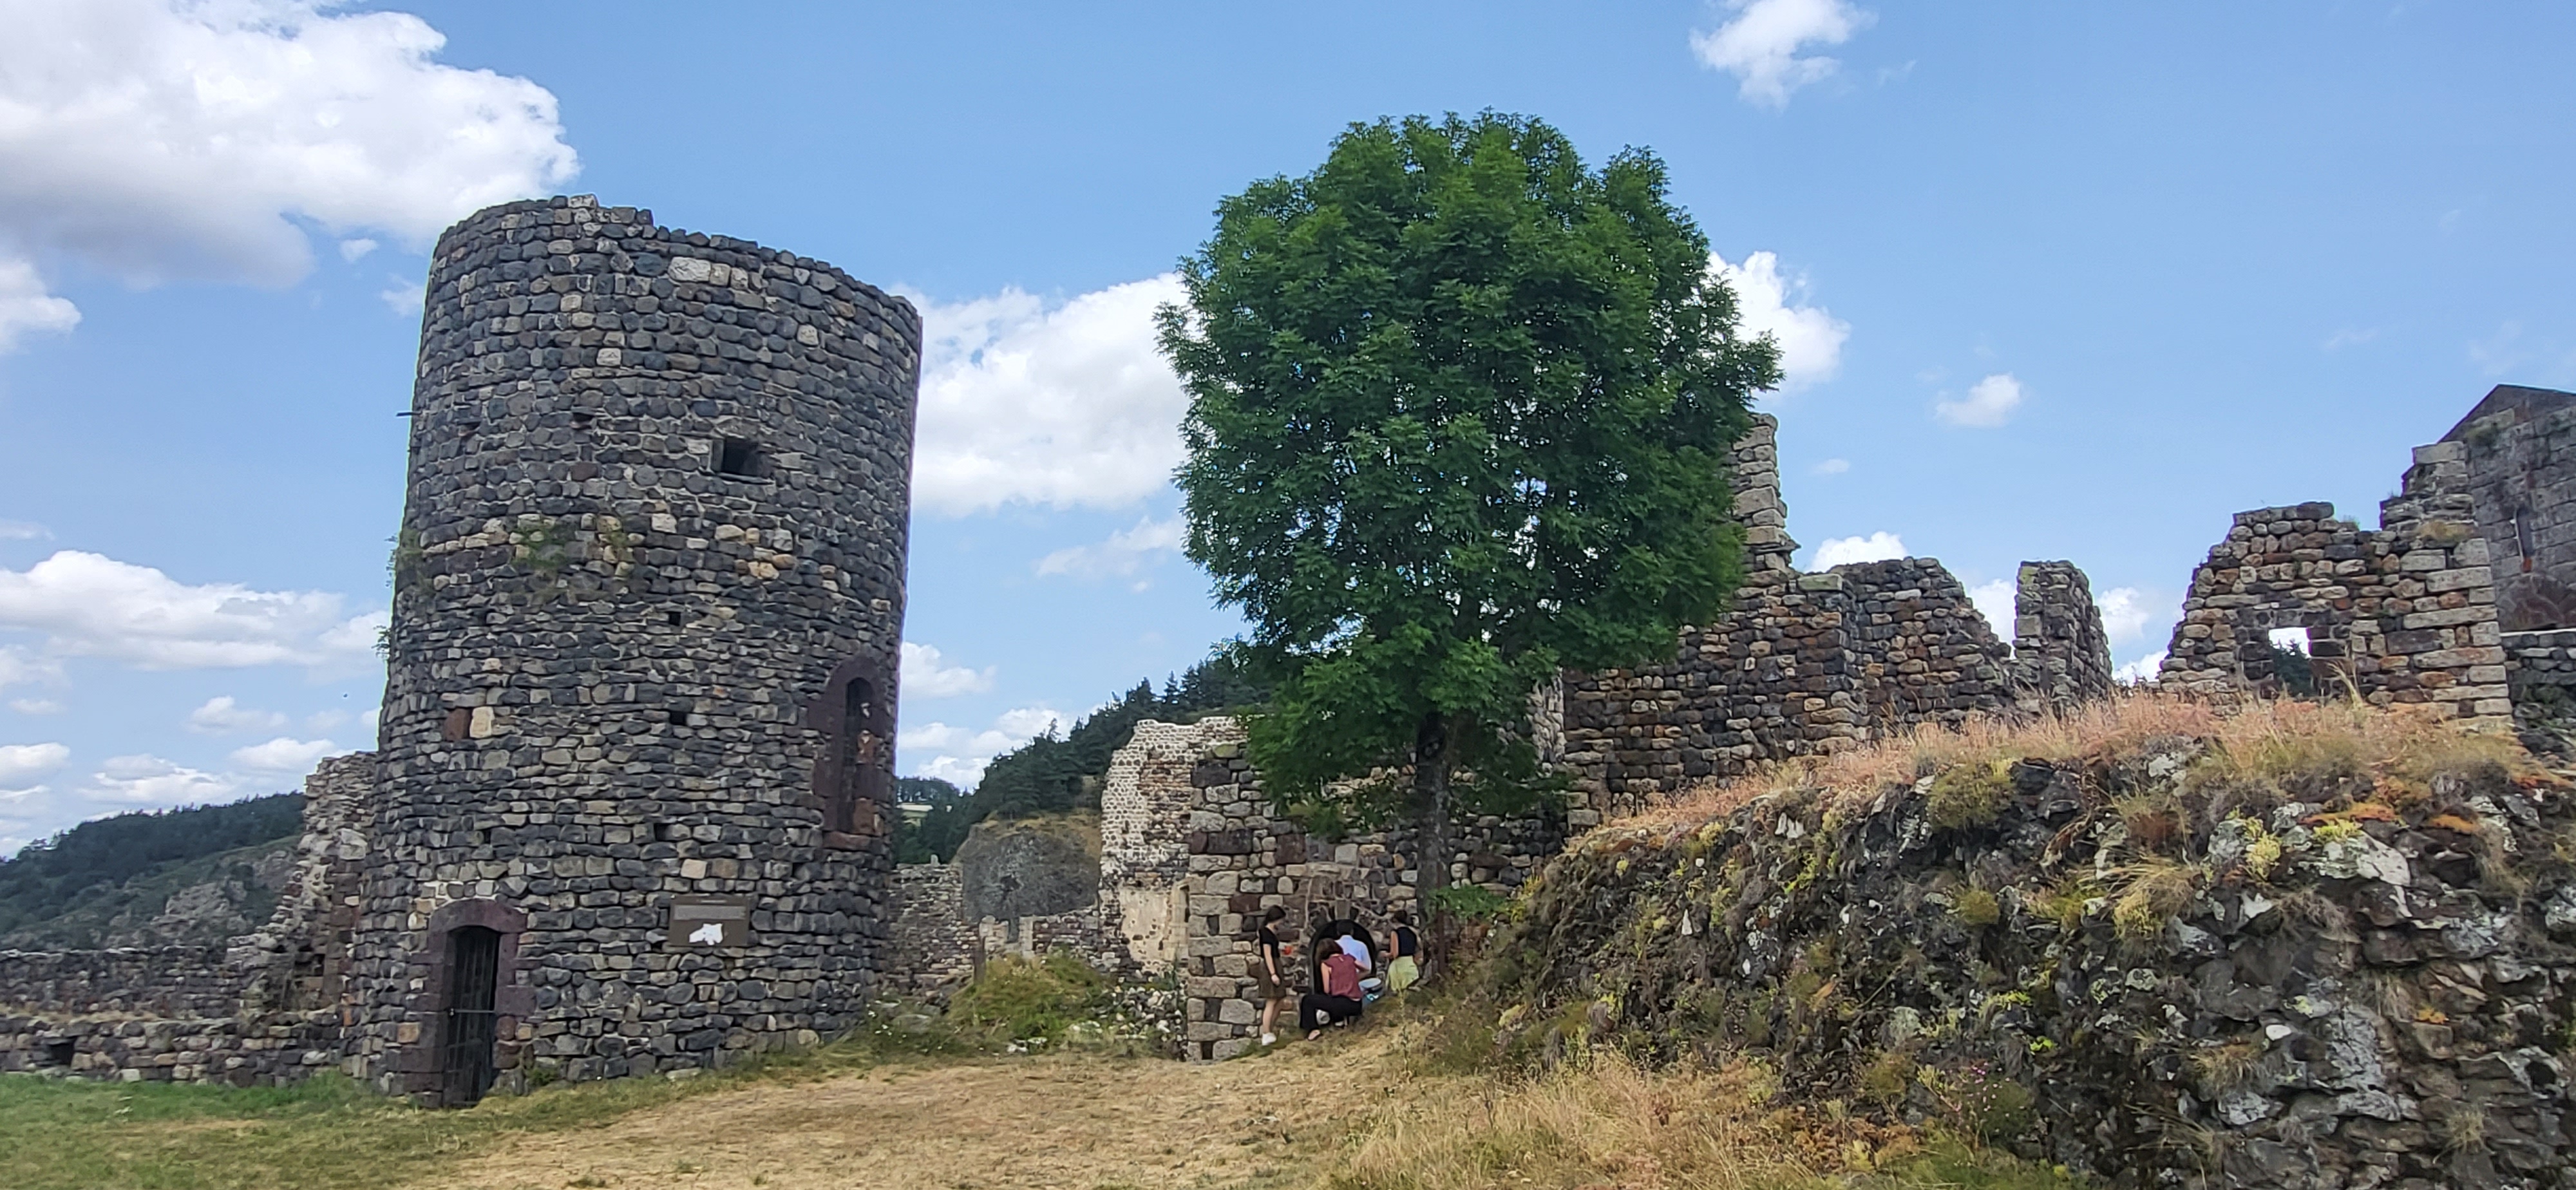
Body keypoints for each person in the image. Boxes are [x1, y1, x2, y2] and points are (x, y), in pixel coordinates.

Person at [1302, 940, 1365, 1039]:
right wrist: (1355, 978)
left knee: (1308, 1000)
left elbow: (1327, 990)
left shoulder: (1326, 964)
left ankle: (1313, 1030)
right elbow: (1366, 969)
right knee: (1335, 1001)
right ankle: (1340, 1021)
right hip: (1357, 1004)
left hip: (1342, 1004)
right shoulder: (1350, 958)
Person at [1255, 905, 1291, 1046]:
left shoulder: (1271, 933)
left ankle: (1270, 1030)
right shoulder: (1265, 933)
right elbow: (1267, 954)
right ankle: (1266, 1032)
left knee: (1279, 999)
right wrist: (1273, 974)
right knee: (1271, 1000)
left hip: (1276, 964)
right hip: (1271, 967)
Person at [1385, 909, 1421, 994]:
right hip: (1411, 964)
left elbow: (1395, 954)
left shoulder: (1395, 933)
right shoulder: (1413, 933)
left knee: (1397, 995)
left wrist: (1385, 954)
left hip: (1399, 966)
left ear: (1395, 920)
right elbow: (1419, 950)